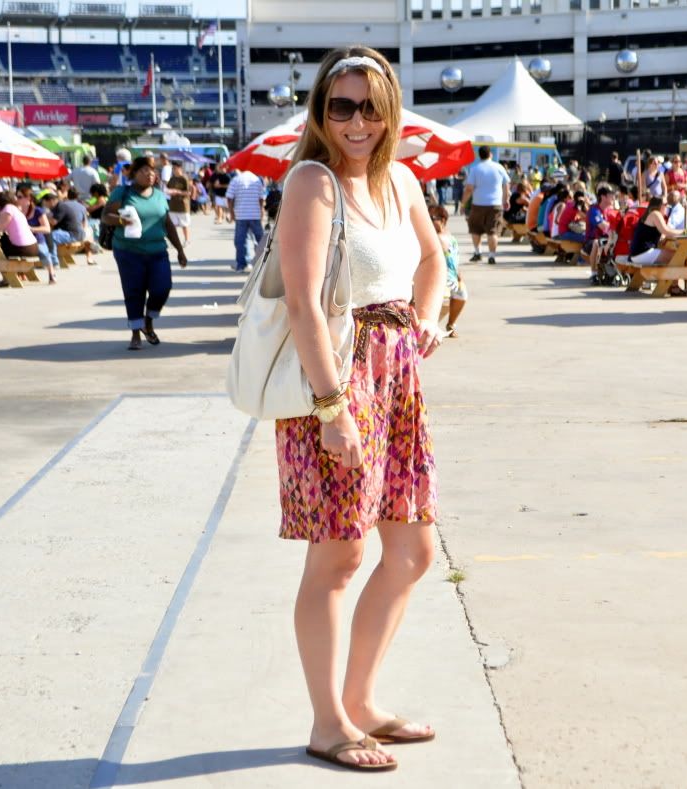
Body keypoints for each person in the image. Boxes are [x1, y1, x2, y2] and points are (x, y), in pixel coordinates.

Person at [272, 46, 443, 774]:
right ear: (320, 112)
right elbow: (306, 305)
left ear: (389, 111)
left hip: (398, 379)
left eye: (369, 106)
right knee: (339, 556)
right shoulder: (312, 182)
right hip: (337, 381)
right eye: (339, 106)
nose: (355, 121)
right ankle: (327, 720)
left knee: (411, 550)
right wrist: (331, 406)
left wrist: (430, 316)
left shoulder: (400, 179)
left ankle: (364, 699)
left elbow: (435, 260)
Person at [101, 156, 188, 351]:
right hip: (128, 252)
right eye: (144, 171)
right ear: (133, 174)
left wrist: (180, 250)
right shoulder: (122, 193)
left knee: (162, 288)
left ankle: (148, 321)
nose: (149, 174)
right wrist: (121, 221)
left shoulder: (158, 195)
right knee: (134, 291)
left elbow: (167, 224)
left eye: (151, 171)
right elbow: (106, 215)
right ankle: (135, 333)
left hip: (157, 251)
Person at [462, 145, 510, 265]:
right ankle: (492, 256)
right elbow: (506, 185)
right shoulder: (499, 167)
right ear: (491, 155)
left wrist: (463, 203)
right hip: (495, 204)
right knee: (493, 231)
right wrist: (506, 199)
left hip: (478, 204)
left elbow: (469, 189)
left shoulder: (475, 169)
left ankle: (478, 252)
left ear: (479, 155)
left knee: (475, 229)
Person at [429, 203, 466, 337]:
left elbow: (454, 257)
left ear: (443, 219)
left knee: (462, 294)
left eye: (432, 218)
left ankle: (451, 323)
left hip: (451, 276)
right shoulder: (430, 237)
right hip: (436, 275)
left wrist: (458, 272)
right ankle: (431, 325)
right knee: (444, 297)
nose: (428, 220)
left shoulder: (449, 236)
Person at [227, 168, 266, 271]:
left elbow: (229, 198)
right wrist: (261, 211)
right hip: (255, 214)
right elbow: (261, 198)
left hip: (241, 215)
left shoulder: (236, 180)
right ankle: (263, 263)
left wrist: (231, 213)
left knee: (240, 241)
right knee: (261, 240)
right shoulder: (257, 180)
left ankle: (241, 265)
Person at [0, 192, 40, 260]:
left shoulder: (8, 209)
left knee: (2, 242)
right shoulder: (15, 209)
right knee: (5, 239)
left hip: (25, 249)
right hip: (33, 247)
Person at [166, 160, 194, 246]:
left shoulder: (184, 178)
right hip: (173, 205)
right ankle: (174, 240)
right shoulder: (172, 178)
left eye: (175, 168)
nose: (174, 170)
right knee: (173, 225)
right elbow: (167, 189)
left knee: (184, 225)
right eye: (173, 168)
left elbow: (189, 192)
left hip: (183, 205)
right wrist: (170, 191)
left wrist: (178, 192)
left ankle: (187, 240)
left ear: (180, 168)